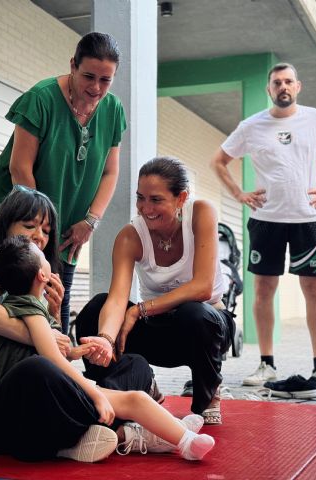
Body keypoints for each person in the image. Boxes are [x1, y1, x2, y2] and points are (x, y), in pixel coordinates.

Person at [0, 187, 154, 463]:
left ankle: (90, 430)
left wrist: (53, 318)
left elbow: (55, 355)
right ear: (6, 227)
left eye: (46, 230)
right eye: (29, 225)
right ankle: (126, 426)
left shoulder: (33, 283)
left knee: (134, 365)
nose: (39, 236)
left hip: (28, 410)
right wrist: (44, 338)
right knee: (36, 370)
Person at [0, 235, 215, 461]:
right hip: (45, 399)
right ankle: (181, 438)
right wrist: (95, 394)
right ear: (42, 274)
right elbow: (52, 359)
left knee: (134, 378)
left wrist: (77, 350)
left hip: (44, 394)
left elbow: (50, 351)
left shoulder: (19, 305)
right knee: (134, 400)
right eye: (40, 254)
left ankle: (173, 434)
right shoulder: (30, 309)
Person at [211, 63, 316, 393]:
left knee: (315, 290)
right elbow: (218, 161)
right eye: (276, 82)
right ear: (269, 89)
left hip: (308, 219)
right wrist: (238, 193)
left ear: (298, 86)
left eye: (288, 81)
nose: (283, 86)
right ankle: (266, 364)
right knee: (264, 290)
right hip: (266, 219)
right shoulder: (251, 126)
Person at [0, 32, 127, 334]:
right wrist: (41, 229)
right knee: (16, 288)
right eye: (88, 76)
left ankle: (54, 359)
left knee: (58, 289)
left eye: (105, 80)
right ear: (73, 65)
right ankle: (6, 363)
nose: (96, 88)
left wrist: (90, 220)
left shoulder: (112, 110)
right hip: (25, 209)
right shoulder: (41, 99)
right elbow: (20, 168)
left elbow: (110, 172)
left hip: (72, 214)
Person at [75, 156, 236, 425]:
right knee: (95, 309)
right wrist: (104, 338)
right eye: (141, 198)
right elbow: (115, 300)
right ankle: (129, 388)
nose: (145, 208)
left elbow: (202, 287)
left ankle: (207, 395)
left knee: (194, 313)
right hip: (159, 330)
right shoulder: (130, 235)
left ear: (181, 197)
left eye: (156, 200)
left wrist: (139, 309)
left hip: (207, 329)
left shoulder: (201, 213)